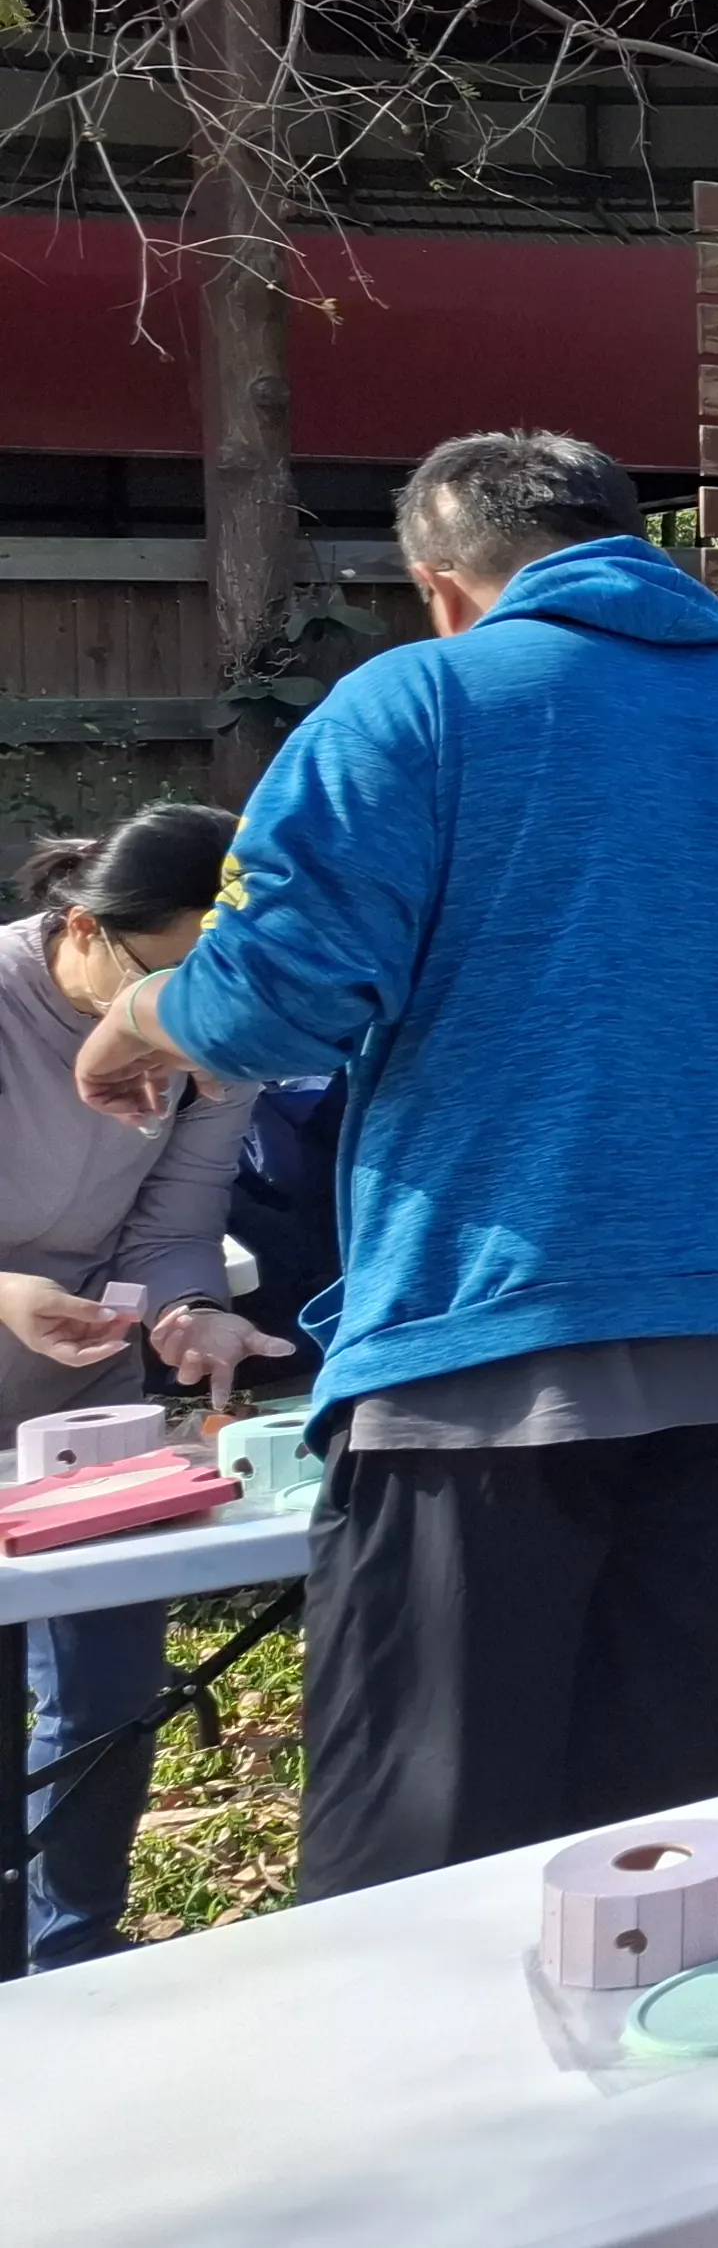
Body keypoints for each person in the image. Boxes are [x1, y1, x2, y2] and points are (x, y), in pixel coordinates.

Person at [70, 430, 718, 1898]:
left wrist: (135, 1015)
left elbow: (281, 994)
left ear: (445, 586)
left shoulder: (416, 705)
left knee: (424, 1866)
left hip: (490, 1342)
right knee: (681, 1854)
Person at [4, 807, 283, 1964]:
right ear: (81, 929)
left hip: (83, 1403)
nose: (173, 1019)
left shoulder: (213, 1043)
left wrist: (190, 1313)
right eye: (159, 980)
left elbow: (175, 1227)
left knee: (106, 1690)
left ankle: (74, 1955)